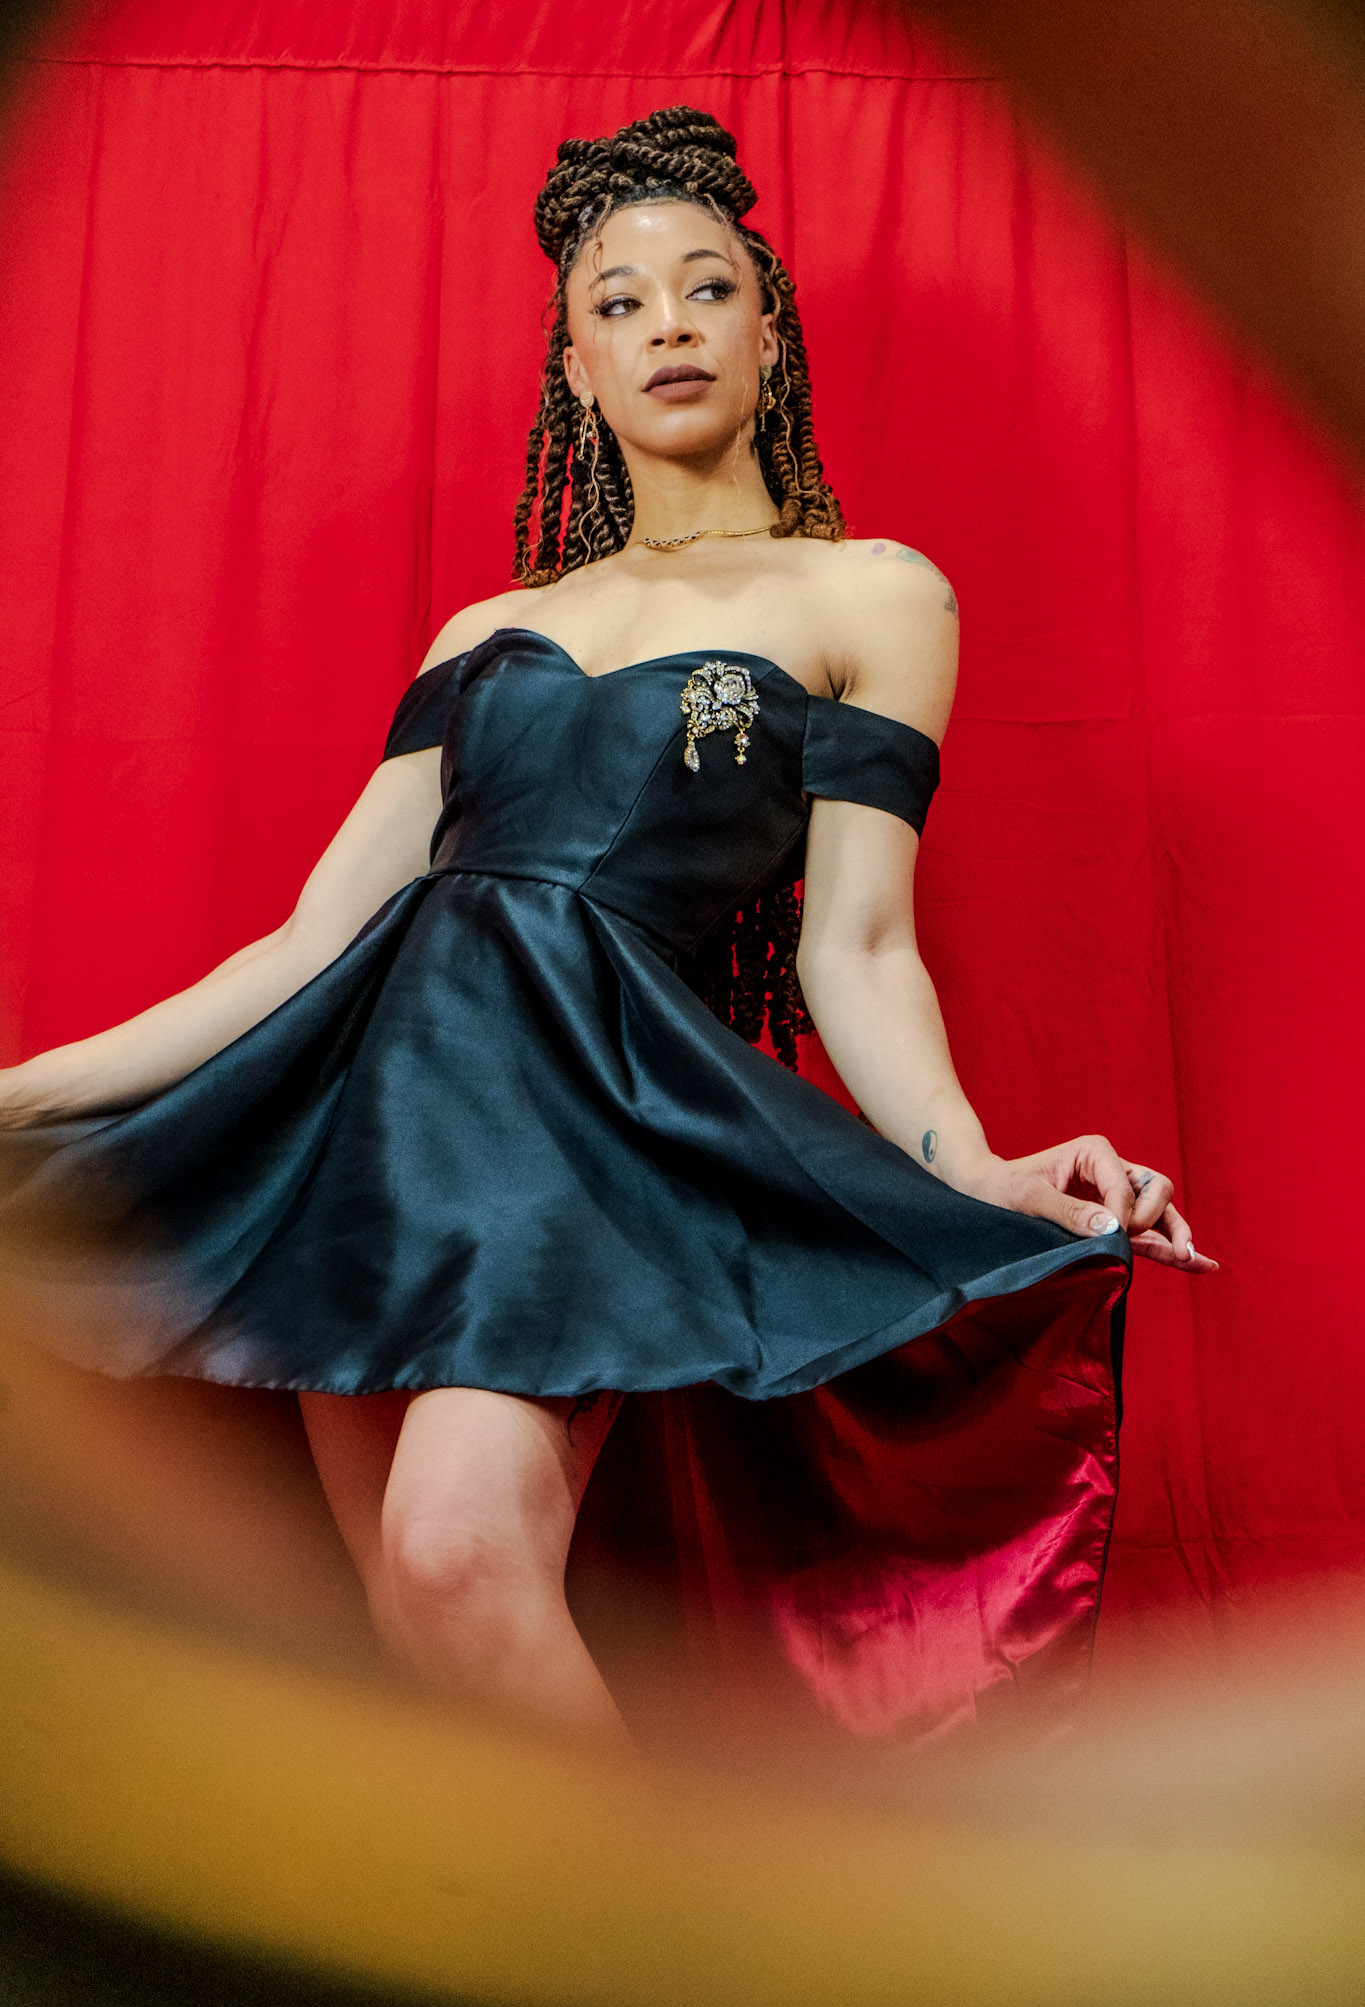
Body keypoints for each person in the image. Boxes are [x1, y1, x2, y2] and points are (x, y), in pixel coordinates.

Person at [0, 108, 1214, 1749]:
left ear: (767, 334)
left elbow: (853, 946)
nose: (667, 326)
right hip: (370, 1128)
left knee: (455, 1562)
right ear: (576, 369)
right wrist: (25, 1090)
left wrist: (975, 1171)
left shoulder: (869, 594)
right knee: (413, 1636)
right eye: (619, 305)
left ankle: (681, 1914)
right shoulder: (485, 628)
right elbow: (310, 942)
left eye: (706, 289)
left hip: (583, 1121)